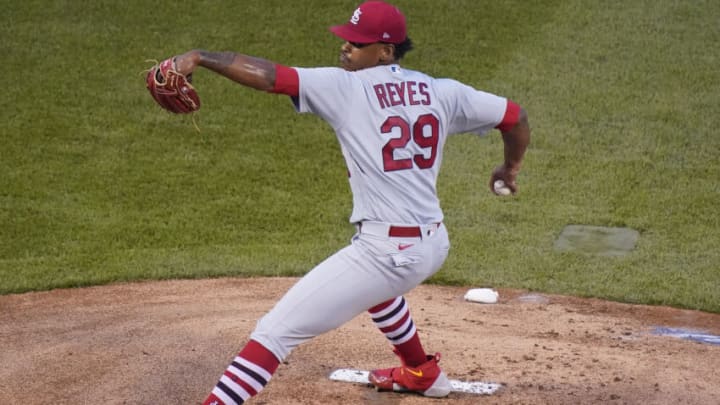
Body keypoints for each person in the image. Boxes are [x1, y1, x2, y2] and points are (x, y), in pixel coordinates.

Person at [169, 1, 530, 403]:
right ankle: (421, 372)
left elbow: (270, 76)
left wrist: (200, 57)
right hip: (432, 244)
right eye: (346, 41)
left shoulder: (345, 87)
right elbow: (515, 116)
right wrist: (509, 168)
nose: (345, 49)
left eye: (356, 44)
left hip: (387, 252)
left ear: (385, 52)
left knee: (274, 332)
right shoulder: (442, 91)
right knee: (375, 289)